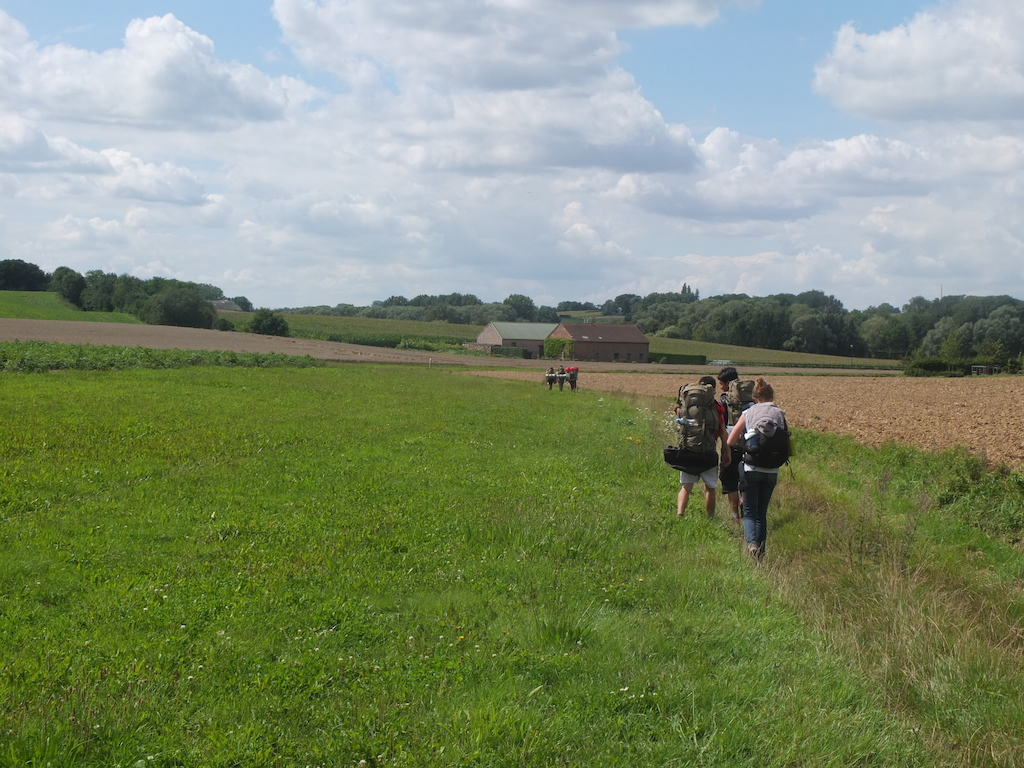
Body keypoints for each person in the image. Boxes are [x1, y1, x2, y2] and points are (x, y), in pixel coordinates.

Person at [726, 377, 786, 561]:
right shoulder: (780, 414)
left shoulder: (749, 412)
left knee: (750, 512)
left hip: (751, 467)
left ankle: (752, 544)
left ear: (755, 398)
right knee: (762, 512)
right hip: (772, 470)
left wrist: (743, 444)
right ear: (771, 396)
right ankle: (761, 554)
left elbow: (730, 441)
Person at [675, 376, 730, 518]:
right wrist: (726, 450)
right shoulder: (716, 407)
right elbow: (723, 431)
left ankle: (680, 514)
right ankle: (709, 518)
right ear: (712, 390)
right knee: (710, 488)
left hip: (689, 448)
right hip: (708, 450)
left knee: (686, 487)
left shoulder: (688, 404)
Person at [716, 366, 743, 522]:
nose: (720, 387)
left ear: (727, 383)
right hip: (749, 445)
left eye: (721, 383)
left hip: (731, 444)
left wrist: (725, 448)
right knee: (745, 478)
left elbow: (722, 423)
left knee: (730, 480)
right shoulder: (749, 398)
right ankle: (745, 504)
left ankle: (734, 516)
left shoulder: (725, 399)